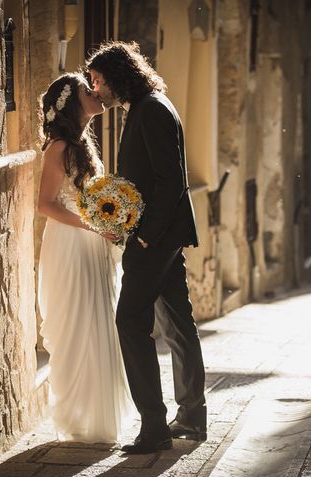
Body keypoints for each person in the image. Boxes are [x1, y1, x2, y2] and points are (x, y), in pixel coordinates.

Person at [86, 41, 207, 454]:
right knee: (176, 323)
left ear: (118, 76)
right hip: (163, 234)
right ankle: (191, 417)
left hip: (157, 236)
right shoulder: (145, 105)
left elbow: (170, 180)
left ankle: (154, 427)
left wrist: (145, 234)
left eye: (98, 80)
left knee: (129, 322)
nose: (95, 89)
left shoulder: (153, 109)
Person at [37, 72, 133, 443]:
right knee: (79, 323)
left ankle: (98, 416)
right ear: (72, 102)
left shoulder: (82, 145)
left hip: (90, 241)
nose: (96, 92)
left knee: (99, 323)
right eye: (86, 88)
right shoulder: (58, 147)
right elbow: (45, 204)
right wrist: (93, 227)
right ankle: (78, 416)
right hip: (70, 244)